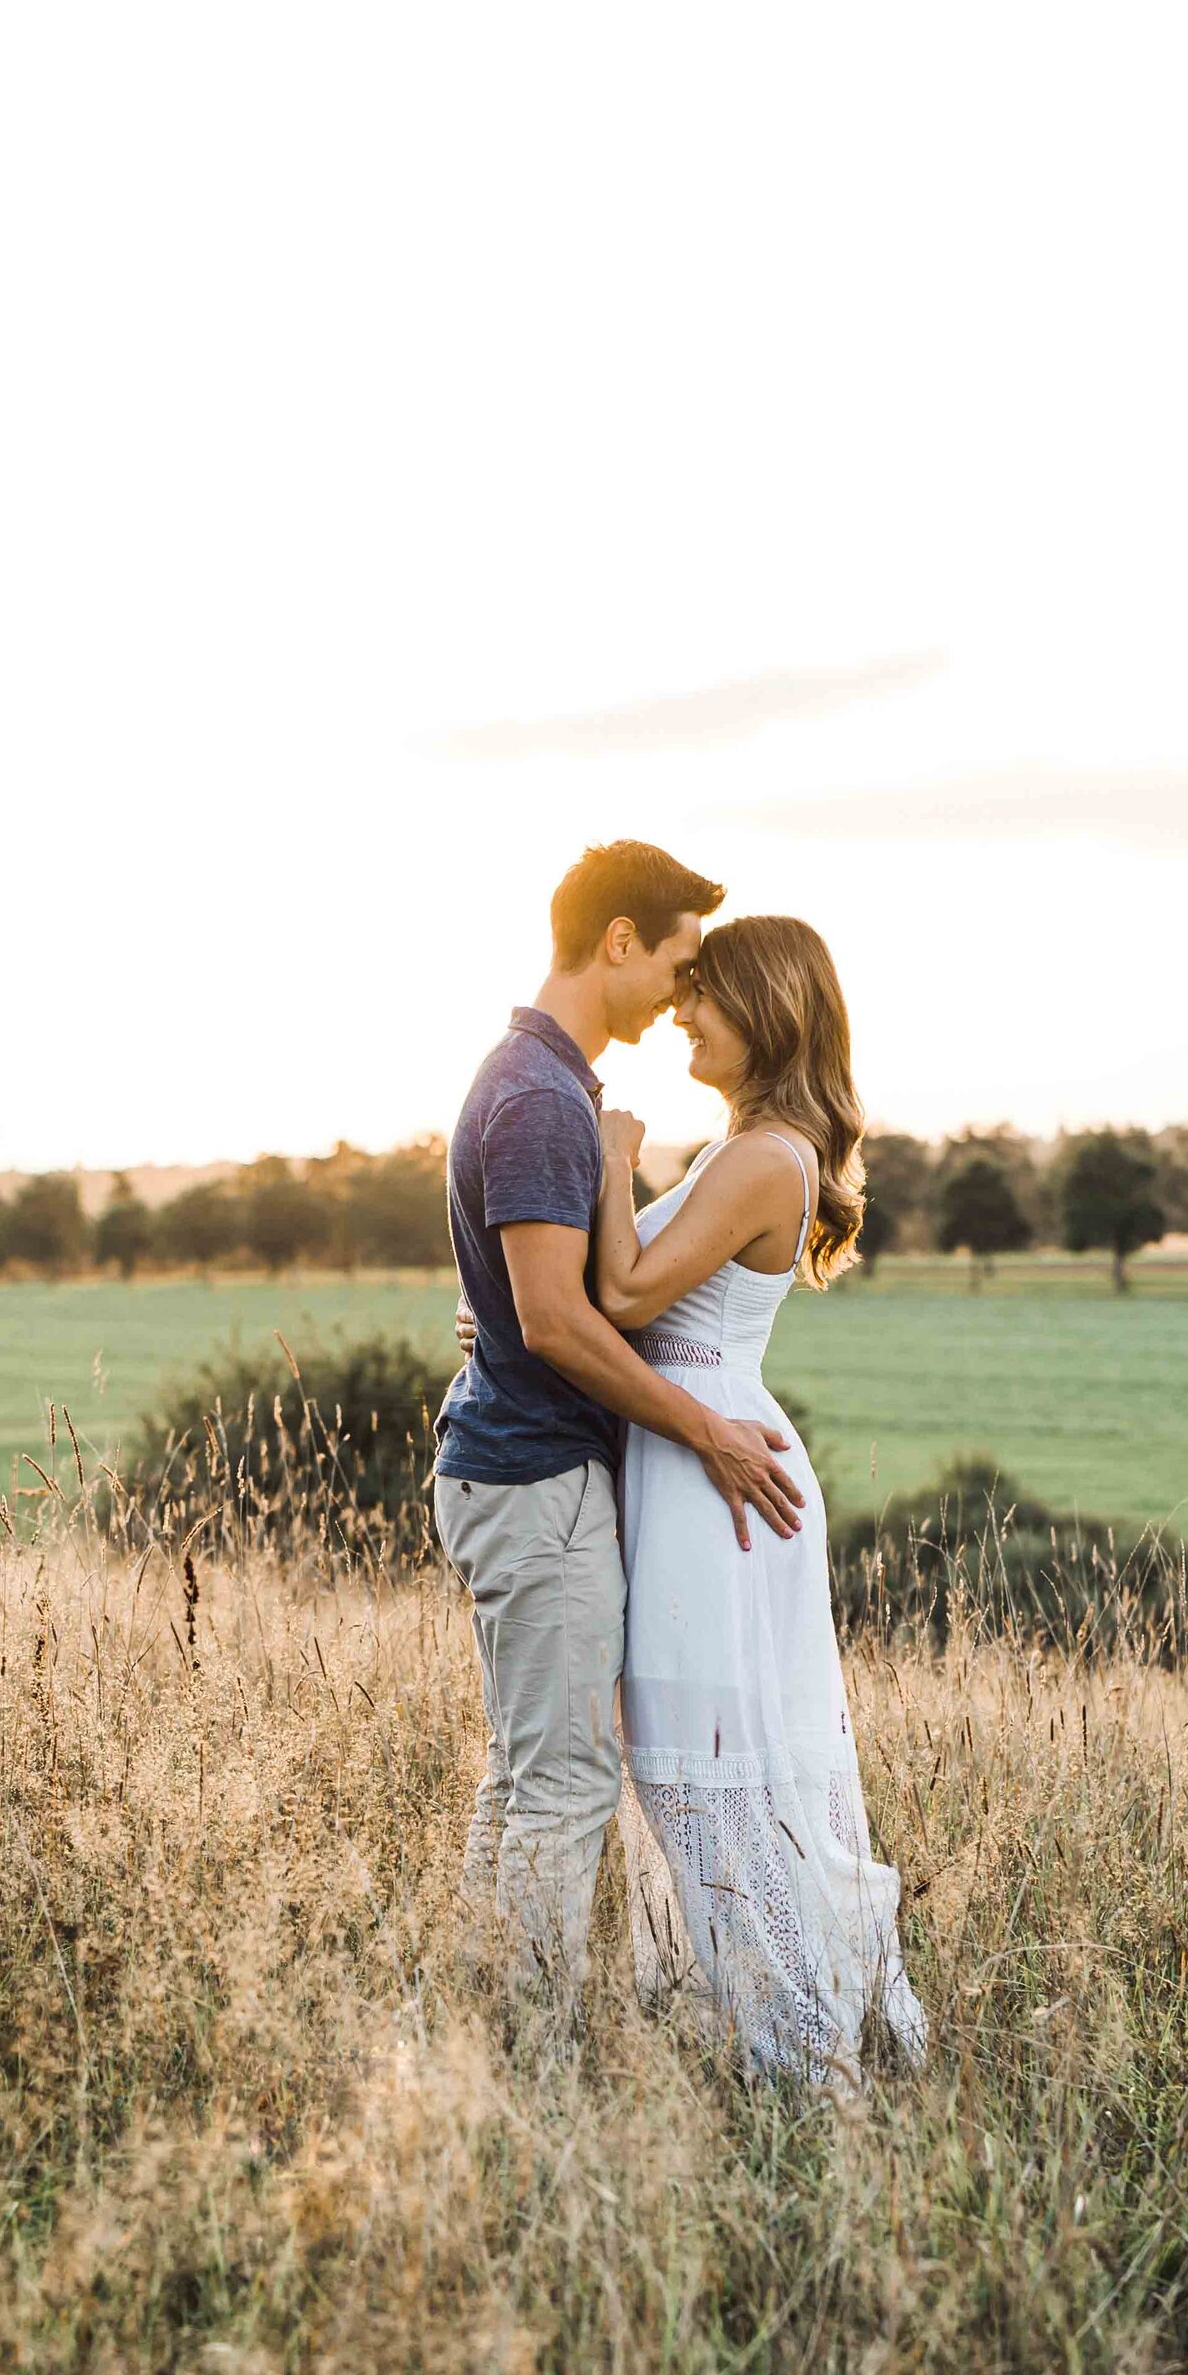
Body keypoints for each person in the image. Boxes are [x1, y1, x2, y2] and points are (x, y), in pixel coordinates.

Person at [433, 844, 806, 2007]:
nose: (682, 993)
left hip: (522, 1469)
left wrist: (502, 1317)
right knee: (562, 1788)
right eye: (679, 961)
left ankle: (468, 2029)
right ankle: (523, 2068)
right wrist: (703, 1428)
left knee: (525, 1776)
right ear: (619, 944)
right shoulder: (544, 1096)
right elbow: (556, 1322)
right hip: (537, 1480)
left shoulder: (541, 1085)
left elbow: (541, 1304)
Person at [592, 914, 926, 2088]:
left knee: (703, 1763)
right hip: (698, 1449)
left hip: (707, 1467)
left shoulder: (758, 1156)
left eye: (704, 996)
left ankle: (794, 2046)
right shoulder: (762, 1149)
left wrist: (606, 1154)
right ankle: (762, 2023)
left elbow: (627, 1292)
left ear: (765, 1011)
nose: (682, 1013)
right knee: (717, 1757)